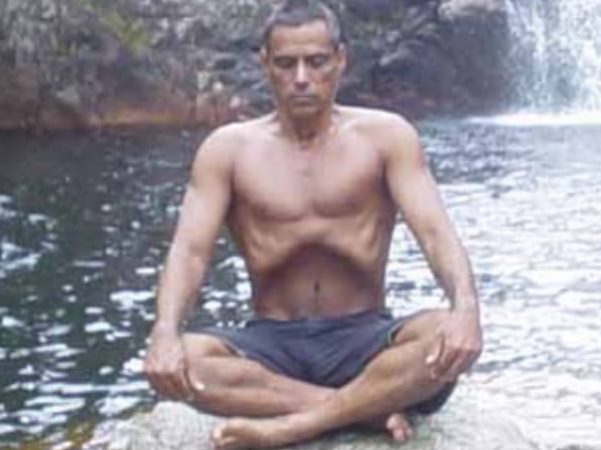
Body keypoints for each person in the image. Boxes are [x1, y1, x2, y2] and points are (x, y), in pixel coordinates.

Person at [143, 0, 482, 448]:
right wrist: (164, 332)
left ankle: (292, 425)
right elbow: (189, 252)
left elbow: (436, 234)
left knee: (442, 333)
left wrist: (466, 309)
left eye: (316, 62)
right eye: (286, 64)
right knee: (186, 359)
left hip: (364, 337)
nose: (301, 78)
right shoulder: (228, 150)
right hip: (271, 341)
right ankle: (364, 408)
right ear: (265, 64)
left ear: (341, 59)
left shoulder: (387, 137)